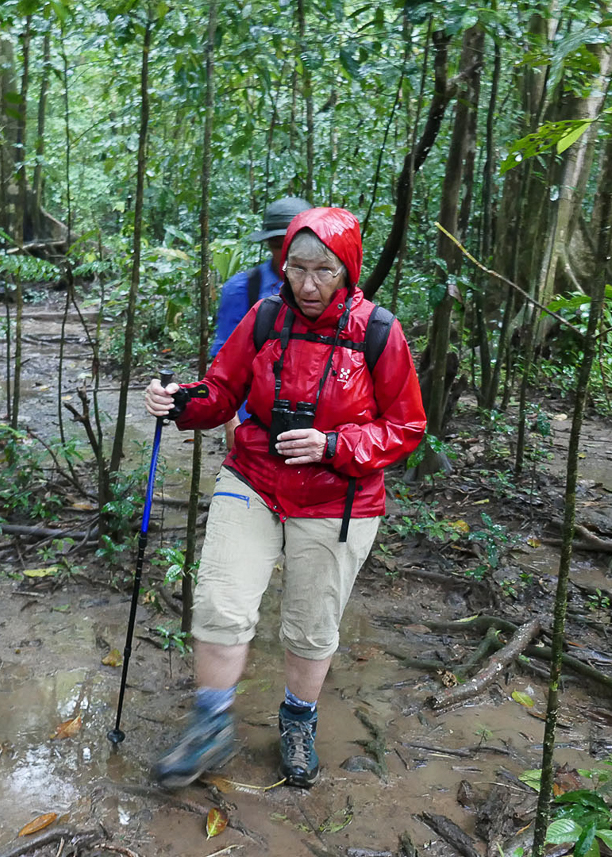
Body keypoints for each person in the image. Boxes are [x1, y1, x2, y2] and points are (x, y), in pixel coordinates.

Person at [142, 207, 426, 789]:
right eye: (296, 267)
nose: (308, 283)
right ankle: (210, 726)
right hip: (253, 478)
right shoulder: (266, 315)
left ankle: (298, 721)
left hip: (337, 499)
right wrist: (179, 401)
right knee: (221, 603)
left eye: (323, 270)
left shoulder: (378, 332)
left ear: (347, 269)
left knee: (311, 625)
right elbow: (222, 390)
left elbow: (407, 428)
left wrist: (333, 444)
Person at [210, 196, 311, 450]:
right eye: (278, 244)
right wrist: (232, 424)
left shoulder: (331, 289)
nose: (285, 252)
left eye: (293, 243)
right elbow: (223, 363)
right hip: (254, 424)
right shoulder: (243, 289)